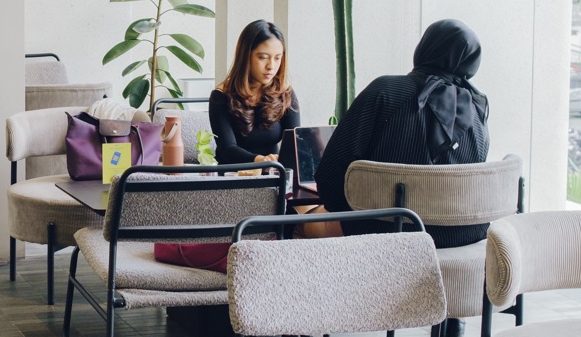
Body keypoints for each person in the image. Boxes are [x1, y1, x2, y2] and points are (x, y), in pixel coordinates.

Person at [314, 18, 490, 248]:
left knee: (300, 217)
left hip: (384, 232)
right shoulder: (478, 110)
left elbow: (329, 178)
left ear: (425, 47)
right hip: (463, 236)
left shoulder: (386, 92)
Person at [209, 20, 300, 164]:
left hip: (274, 174)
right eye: (263, 57)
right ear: (246, 56)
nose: (271, 66)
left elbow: (296, 143)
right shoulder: (221, 96)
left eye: (277, 58)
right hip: (233, 175)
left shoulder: (285, 92)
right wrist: (261, 161)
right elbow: (228, 149)